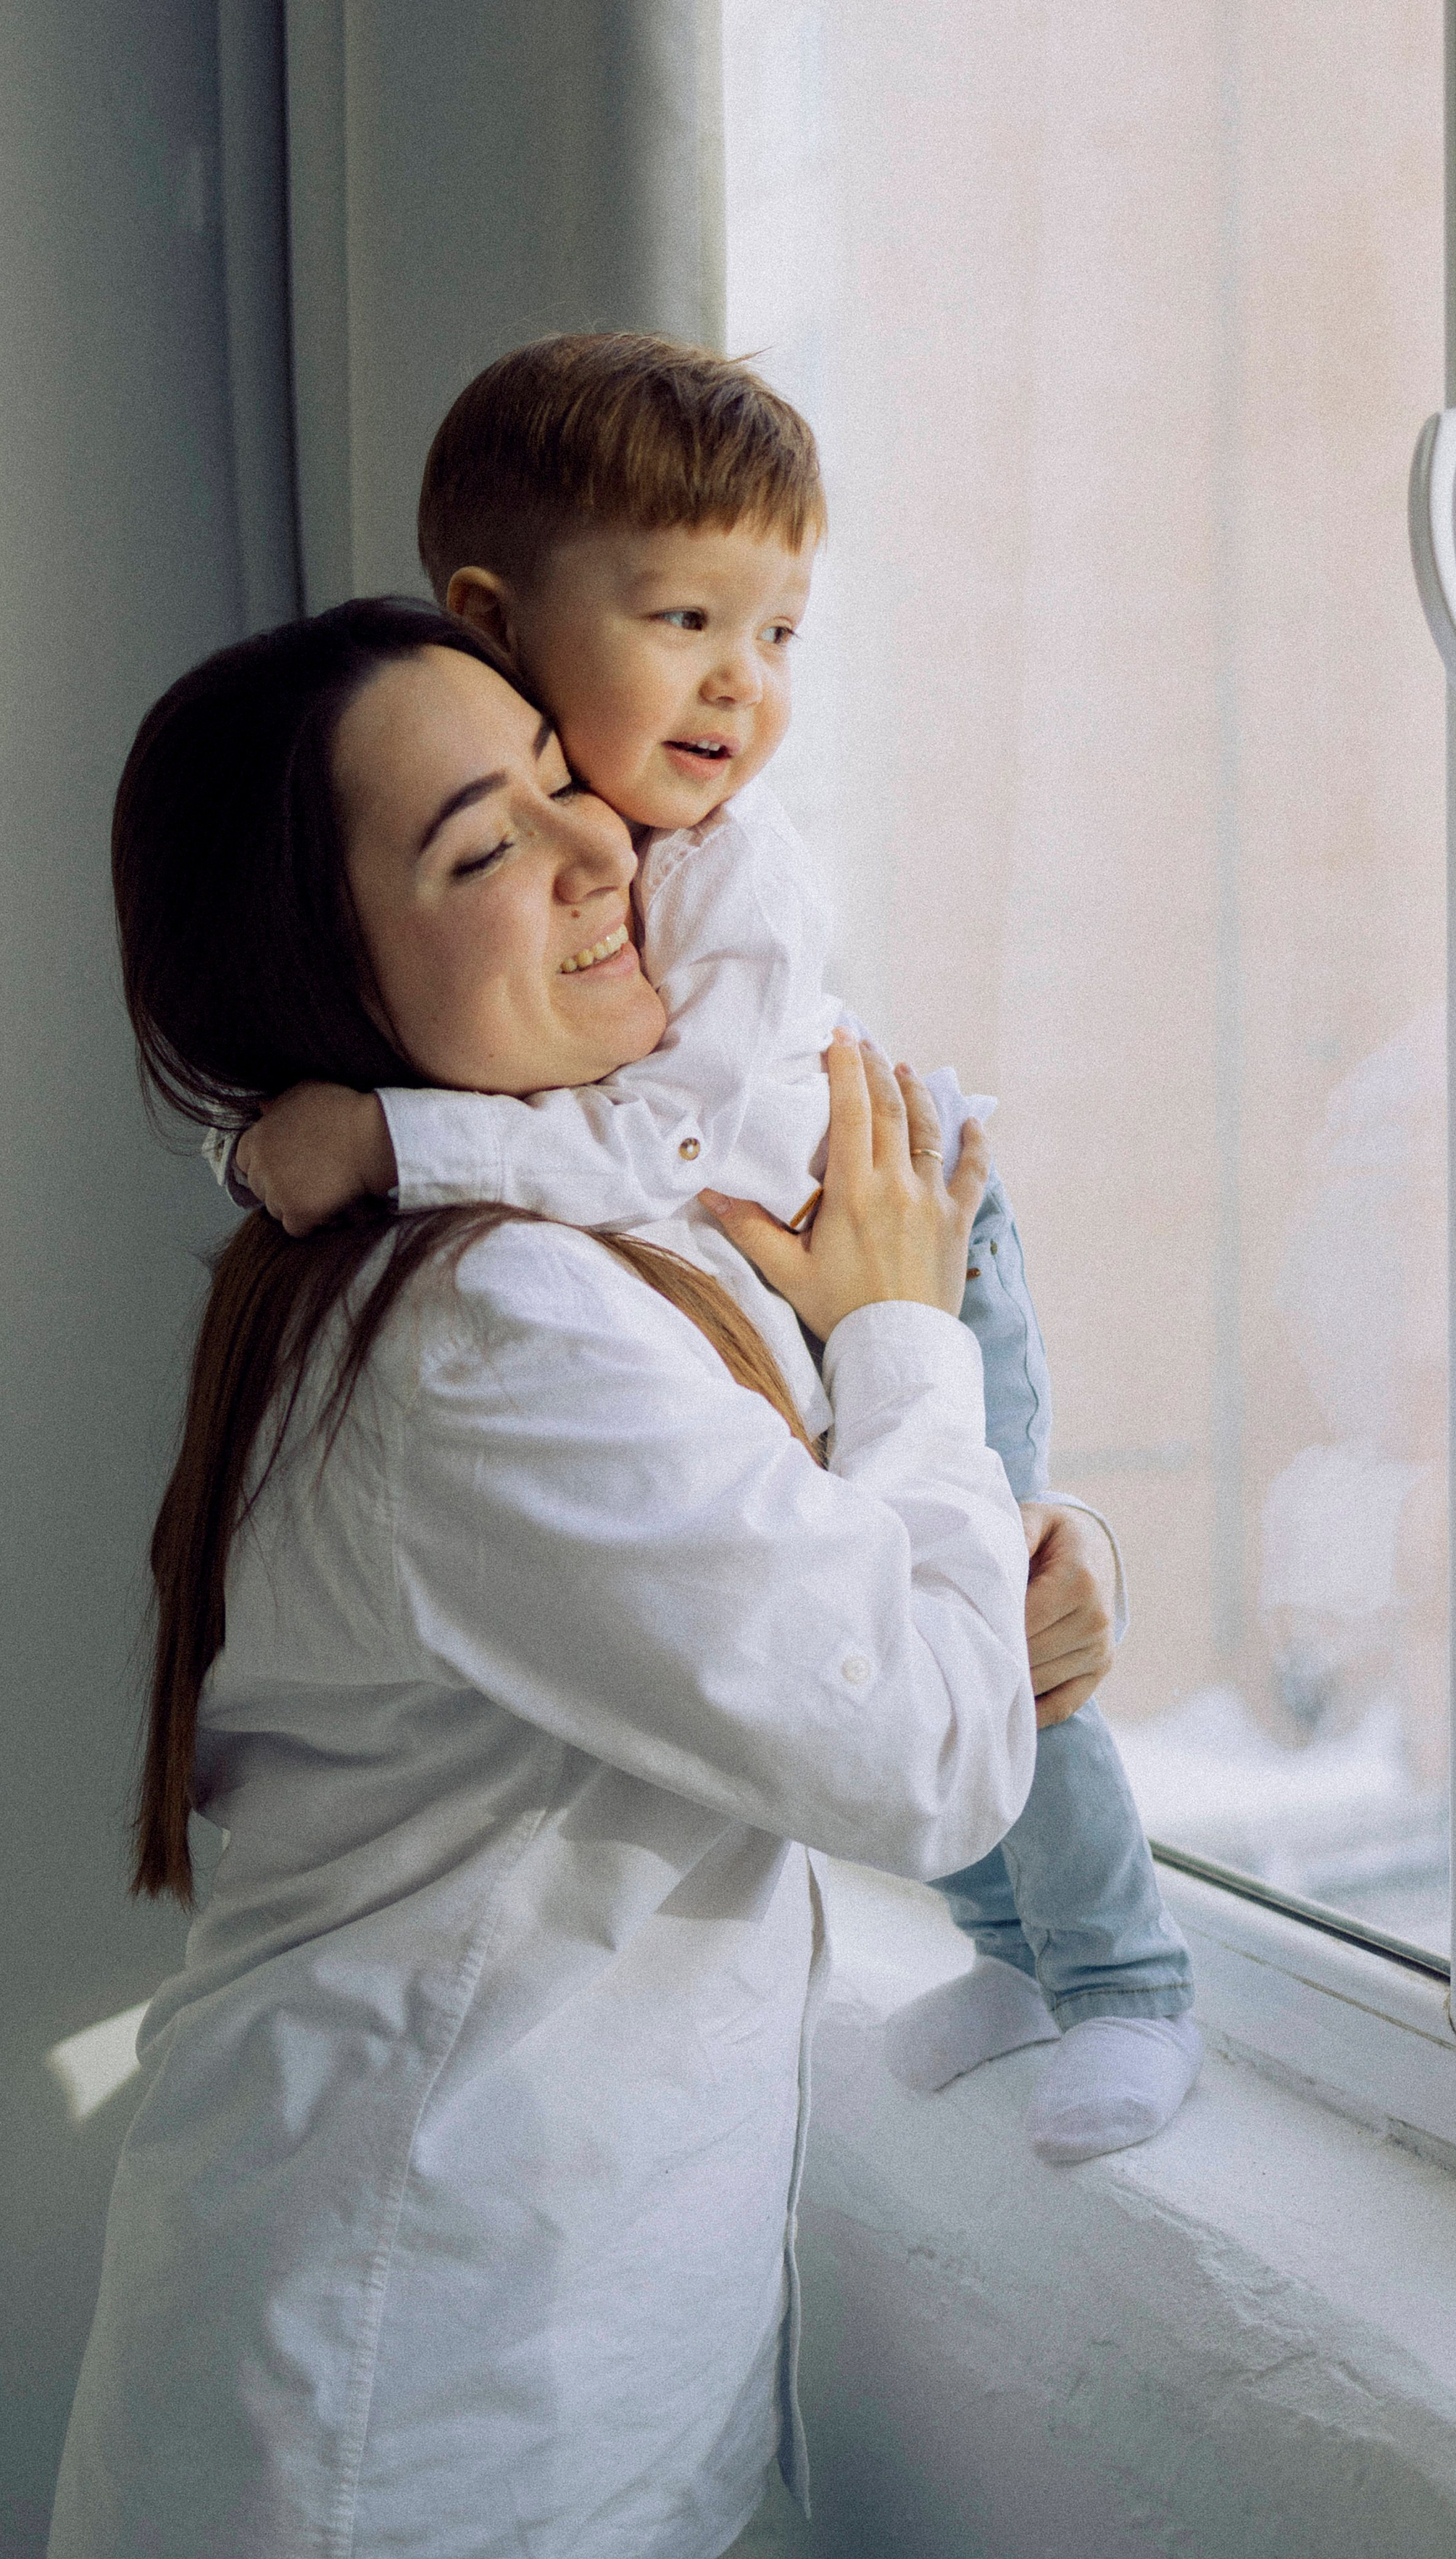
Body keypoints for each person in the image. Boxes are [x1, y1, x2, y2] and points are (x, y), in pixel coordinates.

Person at [43, 597, 1037, 2559]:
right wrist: (903, 1336)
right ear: (333, 978)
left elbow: (909, 1631)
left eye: (562, 783)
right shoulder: (491, 1324)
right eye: (476, 851)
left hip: (548, 2420)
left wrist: (973, 1547)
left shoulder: (557, 1242)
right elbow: (944, 1747)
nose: (598, 853)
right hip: (388, 2446)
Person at [228, 333, 1201, 2164]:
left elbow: (652, 1147)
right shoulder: (474, 1319)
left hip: (909, 1254)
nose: (741, 688)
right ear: (499, 622)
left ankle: (1123, 1978)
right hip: (839, 1285)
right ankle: (1029, 1954)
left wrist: (381, 1135)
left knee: (1013, 1640)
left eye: (777, 638)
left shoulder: (731, 875)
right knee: (979, 1636)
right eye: (686, 620)